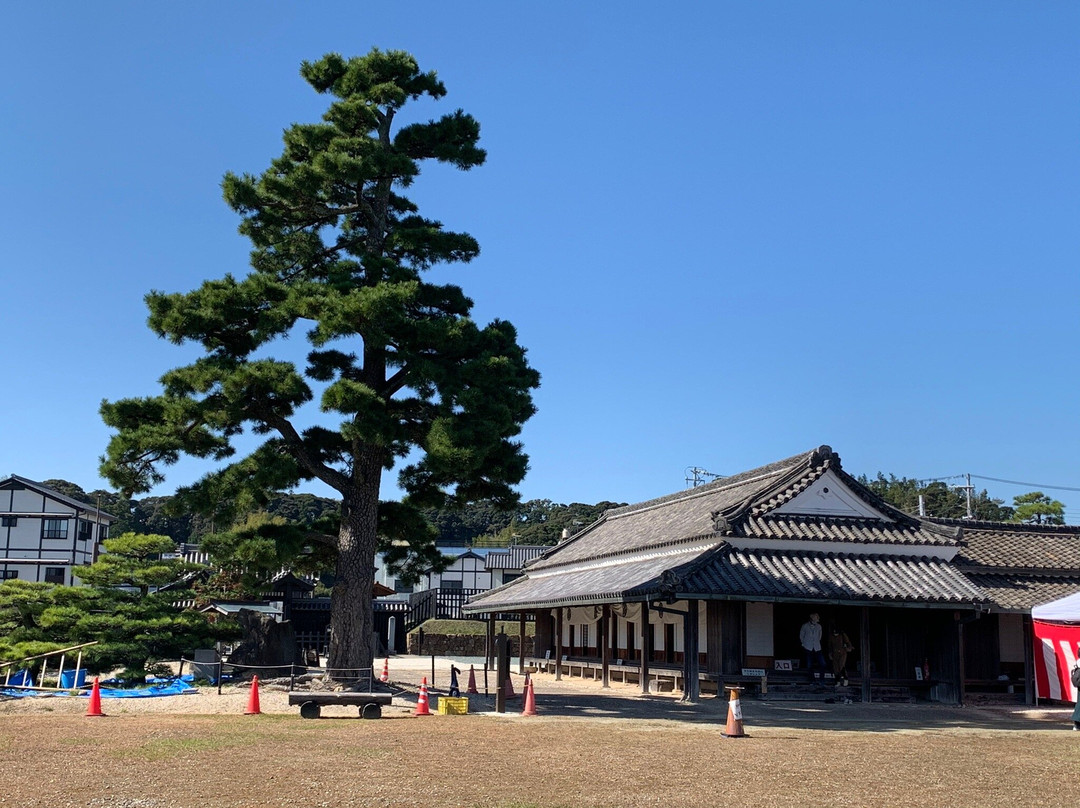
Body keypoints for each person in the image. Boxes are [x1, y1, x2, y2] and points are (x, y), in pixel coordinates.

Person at [799, 612, 826, 683]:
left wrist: (816, 642)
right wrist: (804, 644)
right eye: (817, 617)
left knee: (822, 663)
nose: (818, 618)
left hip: (817, 647)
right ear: (813, 618)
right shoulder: (805, 626)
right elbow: (801, 636)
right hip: (808, 647)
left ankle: (821, 680)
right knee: (809, 665)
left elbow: (820, 636)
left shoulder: (819, 626)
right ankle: (812, 680)